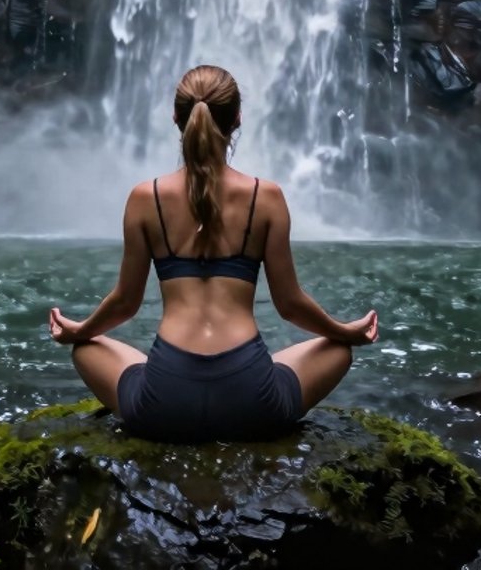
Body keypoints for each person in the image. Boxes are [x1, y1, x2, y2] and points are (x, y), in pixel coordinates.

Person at [48, 64, 378, 443]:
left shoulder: (145, 198)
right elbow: (290, 304)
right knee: (338, 351)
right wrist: (344, 332)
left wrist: (79, 330)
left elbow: (125, 302)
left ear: (177, 118)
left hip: (165, 401)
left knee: (86, 349)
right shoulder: (265, 198)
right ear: (237, 119)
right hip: (251, 399)